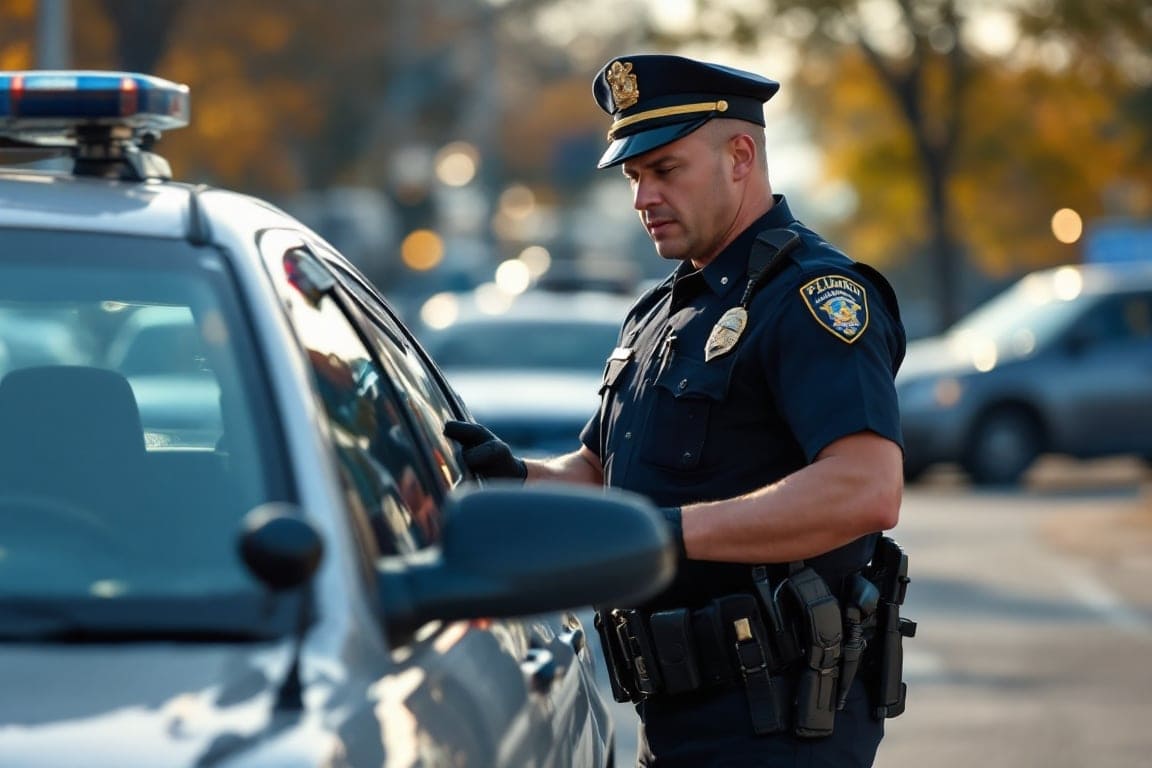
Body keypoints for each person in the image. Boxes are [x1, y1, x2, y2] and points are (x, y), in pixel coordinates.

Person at [445, 53, 907, 768]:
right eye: (635, 177)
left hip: (778, 729)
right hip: (673, 721)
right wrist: (518, 479)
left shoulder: (811, 299)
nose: (643, 197)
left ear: (740, 156)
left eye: (665, 170)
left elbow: (865, 488)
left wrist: (667, 535)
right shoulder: (660, 311)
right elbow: (608, 478)